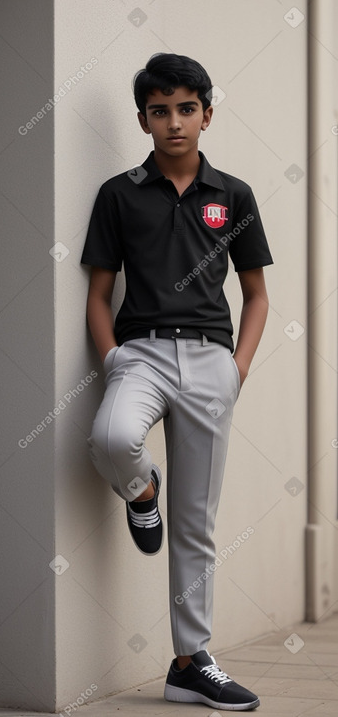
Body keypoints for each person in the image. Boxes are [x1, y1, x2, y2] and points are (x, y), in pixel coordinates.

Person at [81, 52, 273, 711]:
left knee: (194, 524)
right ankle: (141, 490)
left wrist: (236, 369)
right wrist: (113, 362)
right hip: (140, 355)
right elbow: (99, 296)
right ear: (142, 119)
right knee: (110, 438)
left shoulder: (234, 196)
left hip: (211, 362)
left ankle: (189, 662)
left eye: (185, 108)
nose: (173, 122)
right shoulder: (118, 194)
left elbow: (255, 295)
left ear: (206, 114)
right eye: (159, 110)